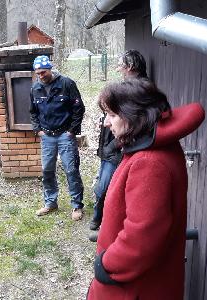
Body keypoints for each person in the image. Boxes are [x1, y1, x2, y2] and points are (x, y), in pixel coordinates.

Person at [87, 78, 205, 300]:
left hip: (135, 289)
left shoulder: (148, 162)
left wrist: (106, 265)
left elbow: (142, 237)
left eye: (112, 115)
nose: (106, 123)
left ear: (133, 116)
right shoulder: (158, 146)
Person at [89, 49, 148, 233]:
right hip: (110, 148)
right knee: (104, 185)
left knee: (105, 188)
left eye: (121, 64)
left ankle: (101, 221)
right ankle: (100, 218)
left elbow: (136, 127)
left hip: (117, 150)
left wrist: (112, 146)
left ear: (130, 66)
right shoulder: (128, 87)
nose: (118, 68)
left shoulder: (139, 91)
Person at [29, 55, 85, 221]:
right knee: (47, 171)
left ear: (50, 69)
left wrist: (72, 130)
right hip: (47, 136)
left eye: (43, 72)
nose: (41, 76)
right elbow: (33, 112)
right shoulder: (35, 88)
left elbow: (78, 108)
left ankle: (76, 205)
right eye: (37, 73)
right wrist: (37, 130)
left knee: (71, 170)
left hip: (65, 135)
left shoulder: (66, 83)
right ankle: (50, 202)